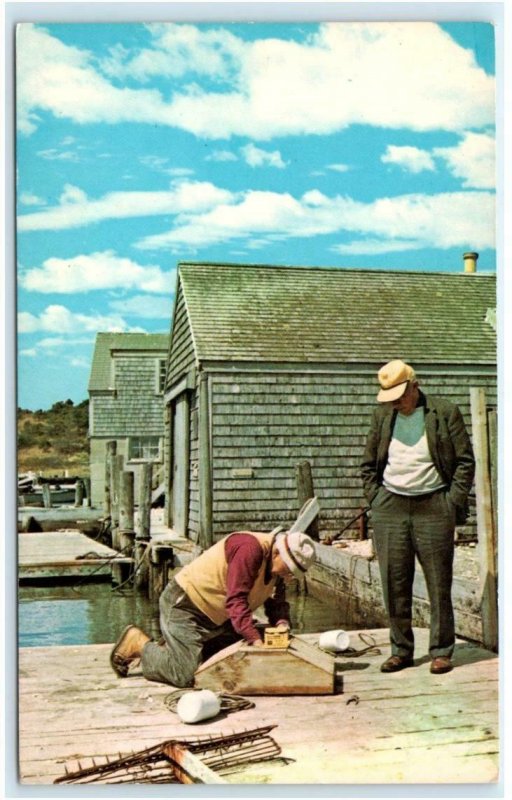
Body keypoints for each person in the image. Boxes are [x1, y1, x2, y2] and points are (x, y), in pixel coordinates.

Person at [361, 359, 475, 675]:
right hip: (390, 507)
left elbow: (465, 462)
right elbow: (368, 465)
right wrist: (376, 499)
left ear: (415, 385)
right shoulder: (382, 416)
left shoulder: (444, 412)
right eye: (390, 398)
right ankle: (401, 650)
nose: (397, 403)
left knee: (439, 581)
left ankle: (441, 650)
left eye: (400, 395)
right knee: (394, 580)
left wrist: (451, 502)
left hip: (434, 505)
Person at [110, 529, 316, 687]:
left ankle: (177, 648)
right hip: (185, 605)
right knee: (185, 674)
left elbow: (276, 602)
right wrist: (255, 642)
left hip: (217, 617)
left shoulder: (276, 566)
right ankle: (139, 644)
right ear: (278, 553)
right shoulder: (250, 549)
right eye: (289, 570)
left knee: (250, 643)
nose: (290, 577)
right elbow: (236, 602)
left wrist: (281, 623)